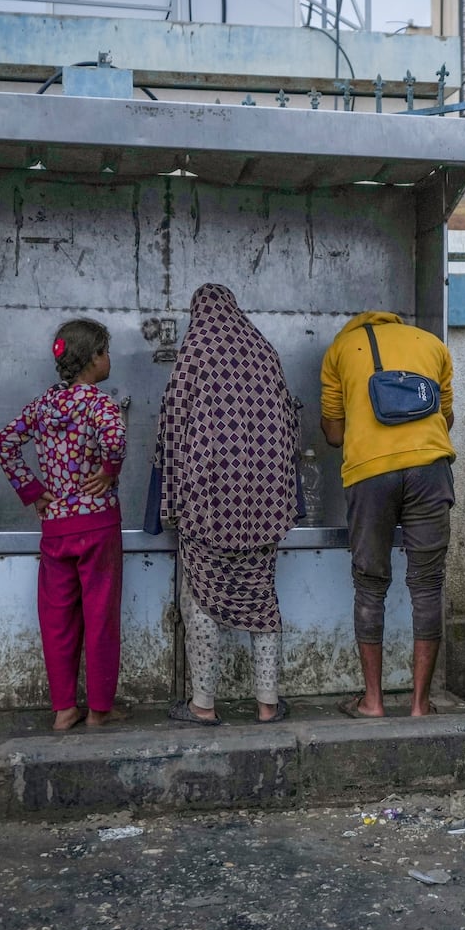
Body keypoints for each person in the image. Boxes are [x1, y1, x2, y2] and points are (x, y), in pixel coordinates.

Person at [150, 283, 300, 726]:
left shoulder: (195, 350)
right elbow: (289, 419)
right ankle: (268, 705)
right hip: (265, 500)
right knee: (260, 597)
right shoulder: (264, 350)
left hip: (209, 497)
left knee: (201, 597)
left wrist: (170, 497)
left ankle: (203, 705)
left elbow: (172, 425)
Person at [0, 319, 127, 731]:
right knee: (100, 617)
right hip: (98, 524)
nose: (109, 359)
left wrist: (33, 490)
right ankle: (100, 709)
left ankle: (65, 708)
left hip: (56, 529)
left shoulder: (43, 405)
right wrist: (108, 469)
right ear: (91, 359)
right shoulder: (100, 403)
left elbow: (3, 443)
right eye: (105, 351)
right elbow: (117, 440)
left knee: (57, 619)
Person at [321, 311, 455, 718]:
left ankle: (373, 702)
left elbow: (333, 433)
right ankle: (420, 704)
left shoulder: (341, 349)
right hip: (431, 470)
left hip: (370, 474)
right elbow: (446, 418)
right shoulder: (433, 344)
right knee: (427, 585)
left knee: (370, 584)